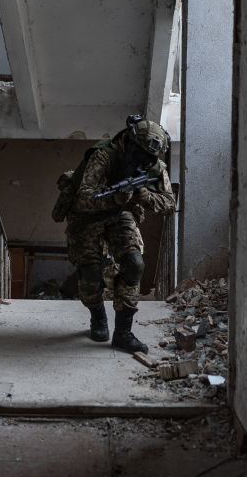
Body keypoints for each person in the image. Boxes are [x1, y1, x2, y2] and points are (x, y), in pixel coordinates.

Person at [56, 115, 176, 353]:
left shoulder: (154, 166)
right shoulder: (104, 156)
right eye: (138, 152)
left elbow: (169, 202)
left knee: (134, 264)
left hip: (121, 214)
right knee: (90, 274)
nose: (142, 160)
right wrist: (113, 198)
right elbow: (83, 198)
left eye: (148, 157)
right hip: (86, 217)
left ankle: (123, 332)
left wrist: (147, 197)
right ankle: (98, 315)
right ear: (129, 143)